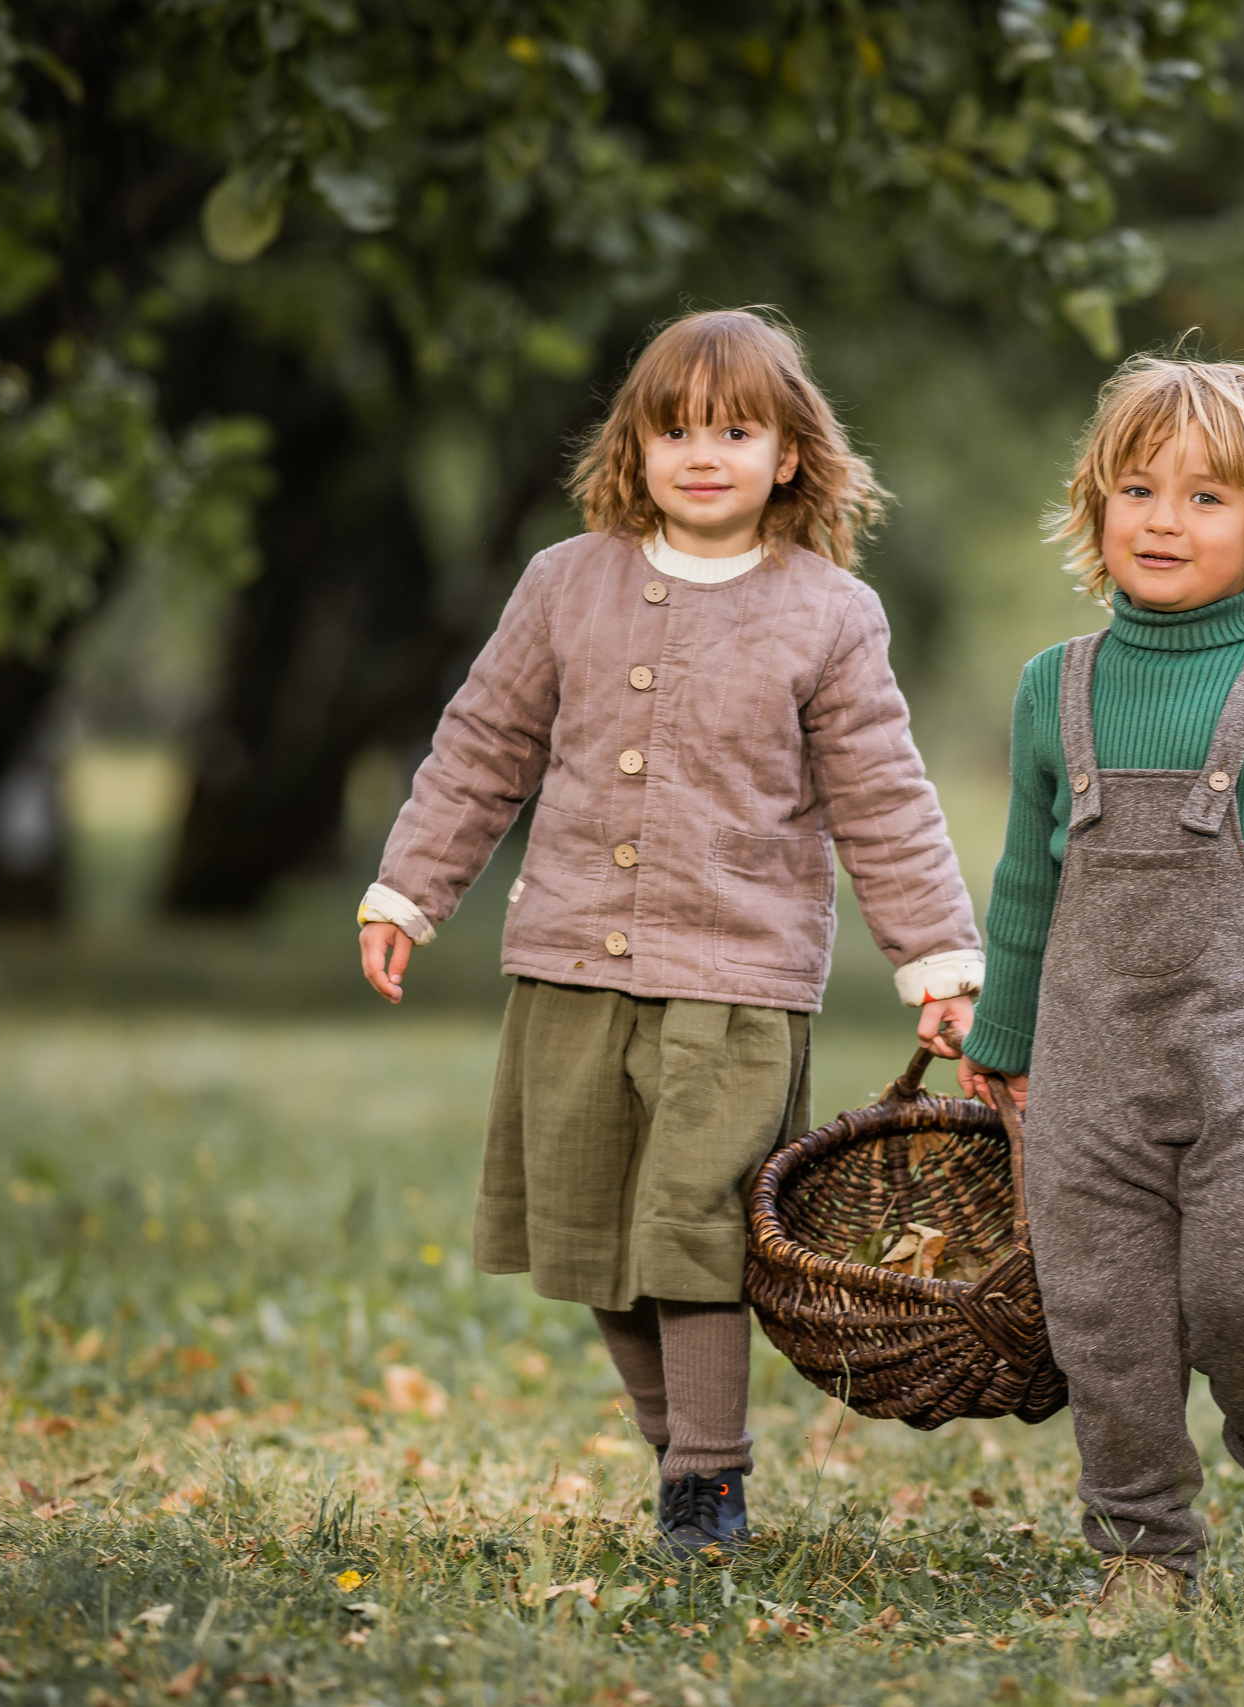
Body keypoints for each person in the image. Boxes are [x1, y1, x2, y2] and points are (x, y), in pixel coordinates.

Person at [356, 308, 983, 1556]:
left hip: (736, 982)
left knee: (696, 1230)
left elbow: (882, 796)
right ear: (633, 447)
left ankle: (708, 1479)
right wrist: (408, 890)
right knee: (593, 1230)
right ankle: (677, 1450)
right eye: (676, 429)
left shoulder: (830, 613)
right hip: (570, 964)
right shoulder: (562, 583)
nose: (704, 454)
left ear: (788, 455)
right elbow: (484, 747)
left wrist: (935, 957)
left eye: (736, 432)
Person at [956, 354, 1244, 1608]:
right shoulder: (1053, 687)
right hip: (1087, 1070)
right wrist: (1002, 1030)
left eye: (1206, 497)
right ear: (1094, 507)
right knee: (1102, 1321)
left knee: (1241, 1294)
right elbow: (1025, 880)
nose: (1163, 520)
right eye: (1138, 489)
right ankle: (1140, 1551)